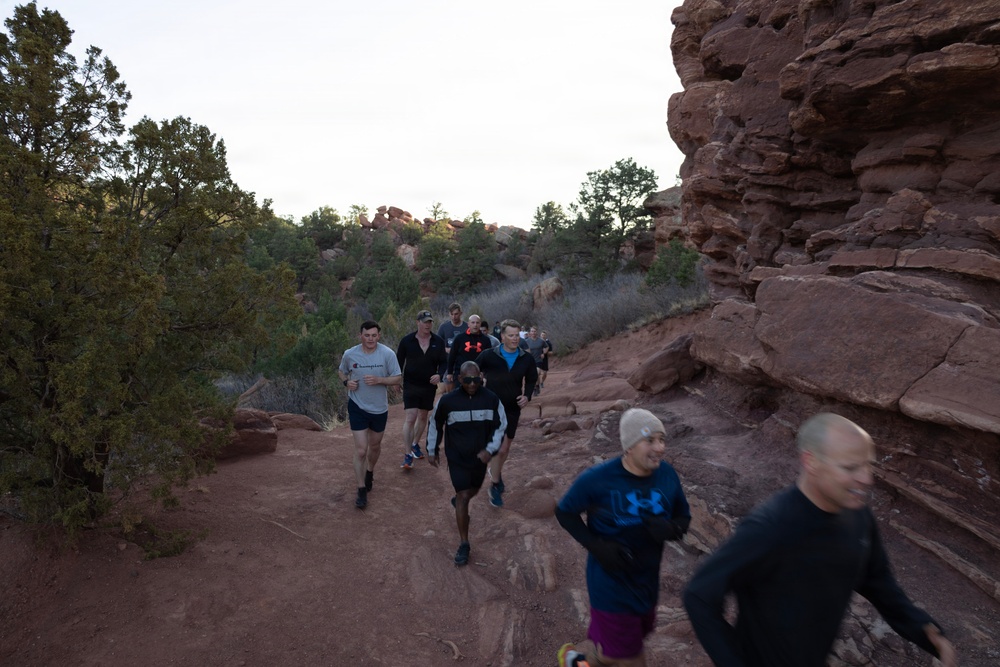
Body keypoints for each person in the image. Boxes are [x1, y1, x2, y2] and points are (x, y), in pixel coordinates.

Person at [683, 413, 958, 667]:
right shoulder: (771, 527)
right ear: (811, 462)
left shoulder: (857, 516)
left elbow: (877, 580)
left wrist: (924, 630)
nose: (866, 478)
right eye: (850, 467)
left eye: (868, 465)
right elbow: (699, 596)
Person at [555, 408, 691, 667]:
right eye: (650, 440)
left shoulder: (667, 475)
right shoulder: (597, 479)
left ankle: (576, 662)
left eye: (662, 439)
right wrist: (597, 546)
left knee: (614, 651)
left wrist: (672, 529)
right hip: (611, 586)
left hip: (646, 583)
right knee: (630, 657)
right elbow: (565, 513)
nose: (660, 448)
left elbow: (683, 517)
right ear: (629, 446)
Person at [426, 361, 506, 566]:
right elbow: (435, 423)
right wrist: (432, 449)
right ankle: (464, 543)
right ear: (460, 379)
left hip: (480, 458)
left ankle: (461, 500)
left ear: (481, 378)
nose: (472, 384)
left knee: (473, 490)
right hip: (457, 457)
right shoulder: (448, 401)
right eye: (467, 380)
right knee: (463, 496)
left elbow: (500, 426)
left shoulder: (491, 399)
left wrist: (490, 450)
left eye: (476, 379)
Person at [338, 320, 402, 509]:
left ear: (379, 336)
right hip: (357, 406)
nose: (371, 339)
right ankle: (361, 490)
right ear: (360, 336)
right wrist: (346, 383)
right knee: (361, 450)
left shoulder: (387, 354)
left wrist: (380, 380)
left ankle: (370, 471)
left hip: (379, 408)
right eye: (367, 335)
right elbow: (341, 372)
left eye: (374, 335)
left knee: (374, 446)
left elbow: (397, 377)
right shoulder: (350, 354)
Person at [475, 318, 538, 508]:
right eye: (510, 335)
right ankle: (494, 485)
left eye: (516, 335)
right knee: (500, 449)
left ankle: (495, 472)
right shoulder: (489, 355)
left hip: (512, 408)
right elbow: (473, 370)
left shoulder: (526, 358)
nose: (515, 339)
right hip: (492, 407)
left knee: (505, 448)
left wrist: (527, 396)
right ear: (502, 336)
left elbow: (532, 379)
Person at [395, 310, 448, 470]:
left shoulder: (438, 341)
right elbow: (398, 362)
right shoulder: (407, 341)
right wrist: (397, 380)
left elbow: (443, 362)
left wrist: (439, 375)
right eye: (425, 322)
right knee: (411, 417)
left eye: (430, 322)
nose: (428, 325)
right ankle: (407, 455)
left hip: (428, 385)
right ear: (417, 322)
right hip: (410, 384)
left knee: (423, 416)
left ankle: (415, 444)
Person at [446, 314, 494, 382]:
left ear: (480, 324)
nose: (475, 325)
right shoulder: (460, 338)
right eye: (473, 322)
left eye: (477, 323)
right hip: (461, 373)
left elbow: (488, 358)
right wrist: (450, 372)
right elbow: (452, 355)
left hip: (478, 374)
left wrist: (485, 373)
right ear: (468, 324)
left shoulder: (486, 340)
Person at [437, 302, 467, 392]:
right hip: (448, 363)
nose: (454, 317)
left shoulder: (466, 327)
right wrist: (446, 349)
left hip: (463, 363)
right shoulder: (444, 327)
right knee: (448, 391)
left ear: (461, 313)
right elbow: (437, 344)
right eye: (452, 314)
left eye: (456, 314)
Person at [524, 326, 548, 396]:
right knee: (533, 375)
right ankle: (536, 386)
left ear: (537, 332)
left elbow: (546, 347)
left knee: (537, 372)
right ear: (530, 332)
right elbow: (523, 349)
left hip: (538, 360)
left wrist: (544, 353)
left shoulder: (541, 341)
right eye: (532, 331)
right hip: (530, 360)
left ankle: (536, 387)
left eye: (534, 331)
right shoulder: (527, 341)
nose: (533, 333)